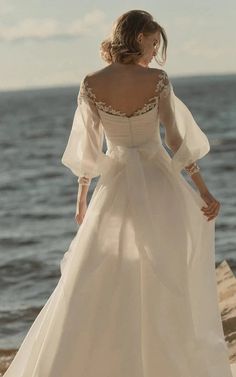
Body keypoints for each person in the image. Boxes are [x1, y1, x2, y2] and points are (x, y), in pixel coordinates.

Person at [4, 9, 235, 377]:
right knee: (164, 268)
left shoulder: (91, 83)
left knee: (106, 270)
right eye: (153, 42)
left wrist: (82, 198)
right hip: (160, 182)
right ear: (139, 37)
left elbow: (88, 148)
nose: (155, 51)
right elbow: (174, 140)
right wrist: (203, 190)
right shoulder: (157, 81)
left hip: (114, 186)